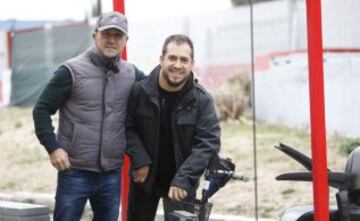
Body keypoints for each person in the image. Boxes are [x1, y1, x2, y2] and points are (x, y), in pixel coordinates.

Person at [32, 11, 144, 221]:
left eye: (118, 35)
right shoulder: (71, 71)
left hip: (111, 173)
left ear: (126, 40)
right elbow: (41, 109)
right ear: (95, 36)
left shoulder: (132, 74)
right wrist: (53, 148)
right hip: (75, 171)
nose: (111, 40)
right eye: (106, 34)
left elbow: (157, 91)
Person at [125, 34, 221, 221]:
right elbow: (128, 127)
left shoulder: (202, 100)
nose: (177, 65)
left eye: (184, 60)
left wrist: (184, 178)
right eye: (172, 58)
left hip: (182, 184)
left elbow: (208, 143)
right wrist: (139, 159)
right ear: (161, 60)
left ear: (192, 63)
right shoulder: (140, 91)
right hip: (144, 180)